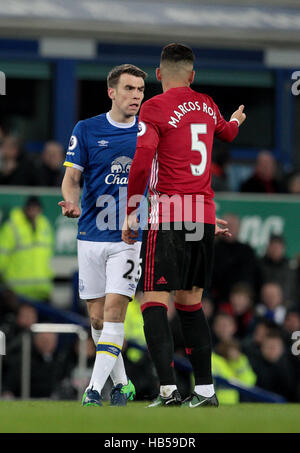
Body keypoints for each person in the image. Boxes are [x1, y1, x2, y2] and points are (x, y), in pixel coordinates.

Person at [122, 43, 246, 407]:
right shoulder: (207, 103)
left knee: (153, 301)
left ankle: (168, 390)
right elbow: (228, 134)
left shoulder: (155, 106)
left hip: (170, 215)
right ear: (192, 76)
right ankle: (206, 391)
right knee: (191, 304)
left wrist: (133, 207)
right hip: (203, 215)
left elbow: (143, 161)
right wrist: (237, 119)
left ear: (159, 75)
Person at [59, 64, 147, 407]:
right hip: (90, 234)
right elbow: (71, 177)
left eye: (140, 89)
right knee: (96, 318)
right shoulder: (87, 129)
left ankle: (93, 391)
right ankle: (124, 384)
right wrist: (70, 200)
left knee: (114, 314)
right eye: (129, 88)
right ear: (112, 92)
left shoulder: (148, 132)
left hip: (128, 237)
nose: (136, 95)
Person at [0, 196, 54, 302]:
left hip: (42, 291)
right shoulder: (11, 227)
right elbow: (2, 256)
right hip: (16, 292)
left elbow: (47, 258)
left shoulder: (45, 226)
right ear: (25, 209)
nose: (33, 212)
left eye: (36, 208)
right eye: (31, 208)